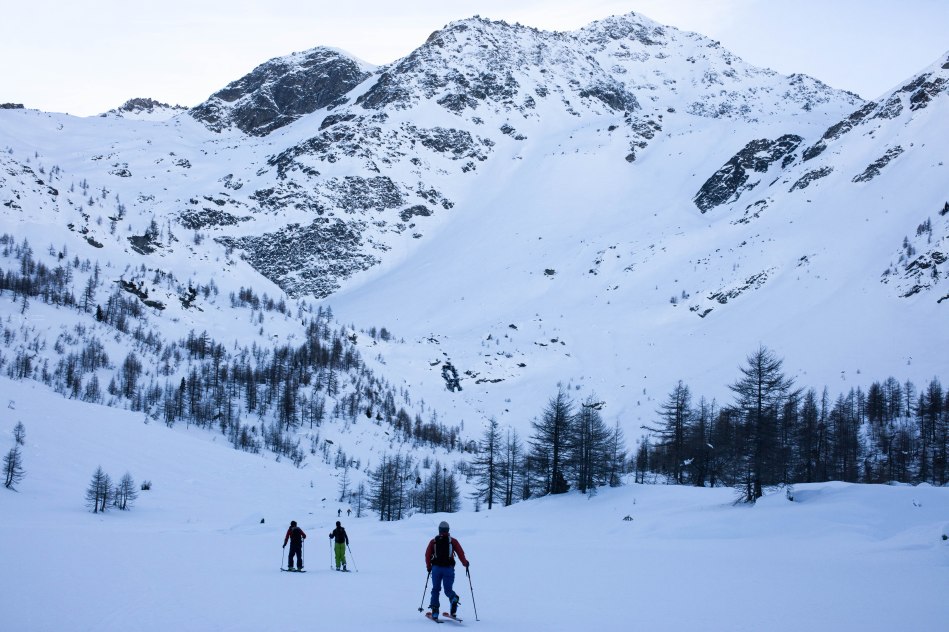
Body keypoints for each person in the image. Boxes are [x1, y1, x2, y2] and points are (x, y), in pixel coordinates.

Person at [425, 521, 469, 620]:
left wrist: (428, 567)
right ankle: (453, 598)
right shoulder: (453, 541)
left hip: (436, 569)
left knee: (436, 589)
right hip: (449, 569)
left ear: (439, 530)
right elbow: (461, 553)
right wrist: (465, 563)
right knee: (448, 590)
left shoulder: (433, 541)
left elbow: (427, 555)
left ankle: (435, 612)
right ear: (448, 530)